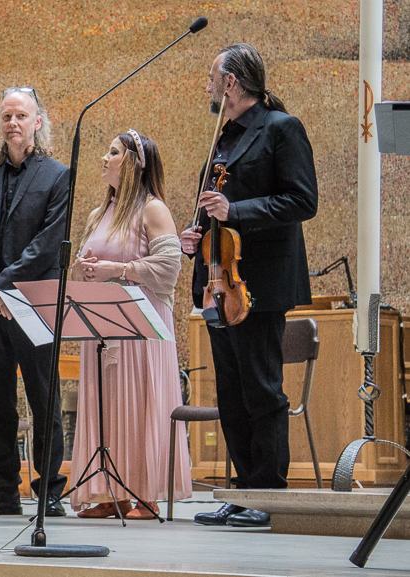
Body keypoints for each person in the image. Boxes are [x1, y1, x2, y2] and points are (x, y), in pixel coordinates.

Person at [181, 43, 318, 528]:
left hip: (258, 283)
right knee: (232, 395)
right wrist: (195, 234)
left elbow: (302, 200)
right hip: (219, 284)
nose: (208, 87)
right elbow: (213, 205)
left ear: (231, 83)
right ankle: (242, 493)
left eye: (212, 78)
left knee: (262, 390)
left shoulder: (281, 128)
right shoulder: (222, 137)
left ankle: (269, 494)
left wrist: (234, 211)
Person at [69, 130, 191, 519]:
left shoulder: (153, 209)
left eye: (113, 152)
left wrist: (118, 270)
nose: (104, 158)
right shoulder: (98, 214)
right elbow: (86, 267)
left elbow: (169, 268)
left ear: (134, 163)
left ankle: (147, 495)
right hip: (101, 326)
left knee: (138, 404)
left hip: (141, 327)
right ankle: (112, 493)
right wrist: (81, 271)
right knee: (105, 404)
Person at [0, 87, 69, 516]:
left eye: (21, 115)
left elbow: (47, 243)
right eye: (7, 116)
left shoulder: (57, 176)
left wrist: (3, 285)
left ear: (37, 122)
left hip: (35, 301)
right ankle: (3, 491)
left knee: (43, 397)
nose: (13, 123)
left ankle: (49, 491)